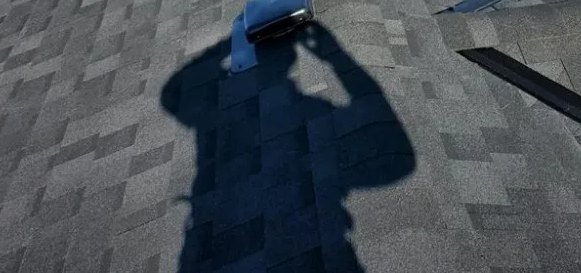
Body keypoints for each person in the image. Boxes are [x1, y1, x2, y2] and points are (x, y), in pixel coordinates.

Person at [161, 20, 414, 271]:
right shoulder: (315, 113)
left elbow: (173, 93)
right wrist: (335, 56)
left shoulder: (216, 118)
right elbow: (394, 149)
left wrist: (233, 42)